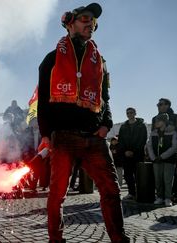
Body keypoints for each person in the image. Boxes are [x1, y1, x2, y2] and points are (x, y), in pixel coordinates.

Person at [36, 3, 129, 242]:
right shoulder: (51, 59)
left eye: (94, 22)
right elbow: (44, 102)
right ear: (69, 23)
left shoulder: (100, 61)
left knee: (111, 191)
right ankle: (56, 240)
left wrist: (106, 124)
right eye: (85, 18)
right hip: (64, 137)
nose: (91, 24)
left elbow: (105, 98)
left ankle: (120, 239)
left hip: (94, 137)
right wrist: (46, 133)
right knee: (57, 194)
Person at [151, 98, 177, 203]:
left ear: (167, 105)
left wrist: (173, 127)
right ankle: (163, 196)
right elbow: (153, 132)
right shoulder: (154, 118)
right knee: (162, 175)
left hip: (176, 149)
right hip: (160, 149)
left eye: (160, 104)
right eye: (157, 104)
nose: (158, 106)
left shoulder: (176, 117)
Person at [147, 113, 177, 206]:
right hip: (156, 160)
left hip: (169, 160)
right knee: (158, 179)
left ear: (164, 121)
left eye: (158, 121)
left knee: (168, 179)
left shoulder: (173, 132)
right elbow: (149, 146)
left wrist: (162, 156)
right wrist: (153, 157)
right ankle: (160, 197)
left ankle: (168, 198)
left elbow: (174, 148)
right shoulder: (153, 133)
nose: (156, 123)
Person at [117, 108, 148, 200]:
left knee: (138, 175)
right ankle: (131, 193)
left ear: (135, 113)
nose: (129, 114)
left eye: (131, 112)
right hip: (126, 155)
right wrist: (125, 151)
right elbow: (121, 140)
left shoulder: (141, 125)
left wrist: (133, 151)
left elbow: (143, 139)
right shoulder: (123, 126)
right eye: (127, 113)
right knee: (127, 175)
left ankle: (140, 193)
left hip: (137, 154)